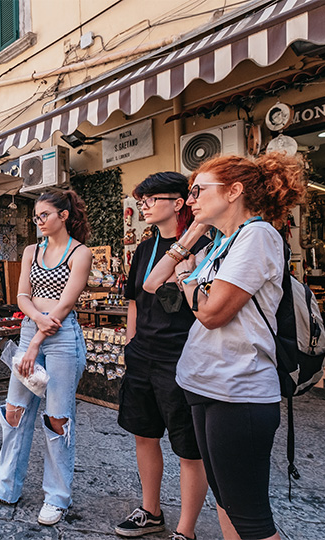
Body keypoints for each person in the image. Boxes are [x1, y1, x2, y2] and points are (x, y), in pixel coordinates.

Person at [143, 153, 307, 540]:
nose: (192, 197)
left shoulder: (258, 235)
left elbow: (212, 311)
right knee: (226, 501)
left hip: (240, 390)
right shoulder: (221, 243)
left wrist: (187, 279)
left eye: (199, 190)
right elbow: (153, 283)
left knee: (250, 516)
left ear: (234, 192)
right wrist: (192, 235)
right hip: (205, 383)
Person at [0, 190, 92, 526]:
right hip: (31, 330)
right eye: (36, 216)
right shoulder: (31, 251)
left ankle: (57, 497)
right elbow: (22, 295)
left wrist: (37, 338)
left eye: (44, 215)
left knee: (57, 418)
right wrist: (36, 323)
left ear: (63, 216)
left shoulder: (80, 253)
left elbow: (65, 305)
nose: (38, 221)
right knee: (14, 411)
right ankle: (5, 485)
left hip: (62, 336)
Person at [115, 173, 208, 540]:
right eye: (142, 201)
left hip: (183, 356)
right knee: (144, 434)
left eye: (151, 199)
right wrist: (131, 345)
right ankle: (150, 511)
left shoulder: (202, 245)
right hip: (144, 355)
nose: (145, 207)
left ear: (178, 203)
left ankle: (186, 531)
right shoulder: (144, 247)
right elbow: (135, 299)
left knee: (189, 448)